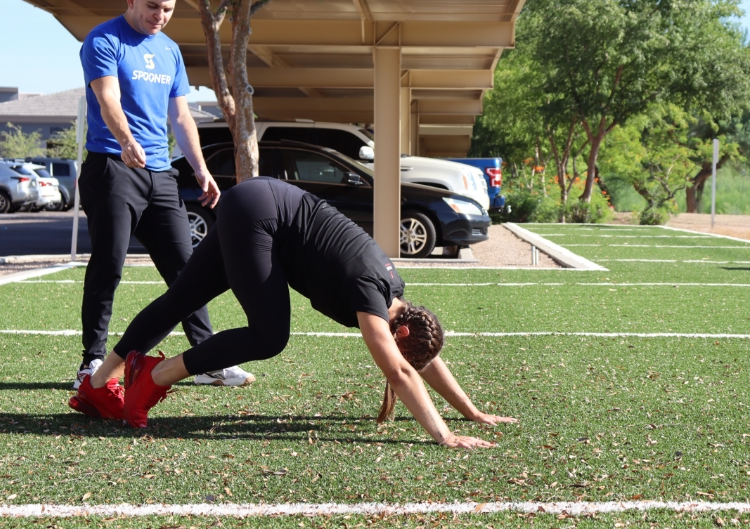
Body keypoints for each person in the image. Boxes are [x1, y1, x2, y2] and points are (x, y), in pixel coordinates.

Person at [71, 178, 517, 448]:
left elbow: (423, 358)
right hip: (260, 217)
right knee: (269, 335)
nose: (405, 363)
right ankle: (152, 377)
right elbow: (402, 373)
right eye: (406, 353)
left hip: (255, 201)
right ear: (401, 335)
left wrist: (472, 412)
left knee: (180, 300)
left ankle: (97, 384)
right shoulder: (370, 293)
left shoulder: (396, 295)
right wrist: (446, 435)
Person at [71, 0, 253, 393]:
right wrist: (126, 140)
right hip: (113, 167)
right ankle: (92, 360)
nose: (160, 16)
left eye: (168, 9)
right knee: (108, 265)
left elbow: (180, 115)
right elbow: (108, 99)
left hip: (161, 174)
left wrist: (200, 168)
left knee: (188, 270)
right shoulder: (104, 39)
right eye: (153, 6)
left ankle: (206, 358)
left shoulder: (169, 50)